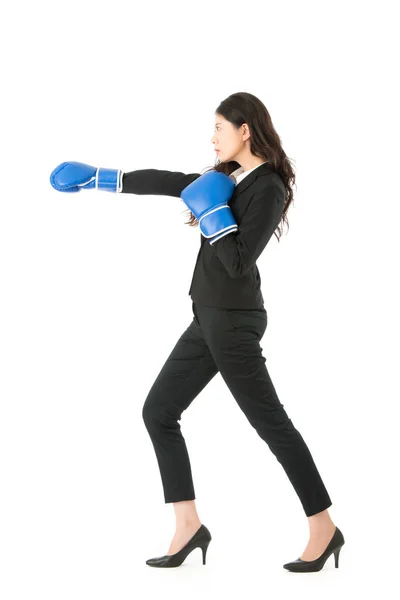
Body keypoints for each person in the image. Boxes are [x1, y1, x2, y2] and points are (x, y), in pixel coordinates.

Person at [49, 92, 345, 572]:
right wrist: (103, 179)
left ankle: (324, 528)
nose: (212, 139)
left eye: (219, 129)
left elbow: (239, 260)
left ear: (244, 129)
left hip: (233, 321)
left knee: (272, 425)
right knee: (159, 412)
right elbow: (173, 182)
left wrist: (213, 213)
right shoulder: (228, 176)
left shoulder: (266, 186)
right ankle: (188, 526)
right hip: (206, 318)